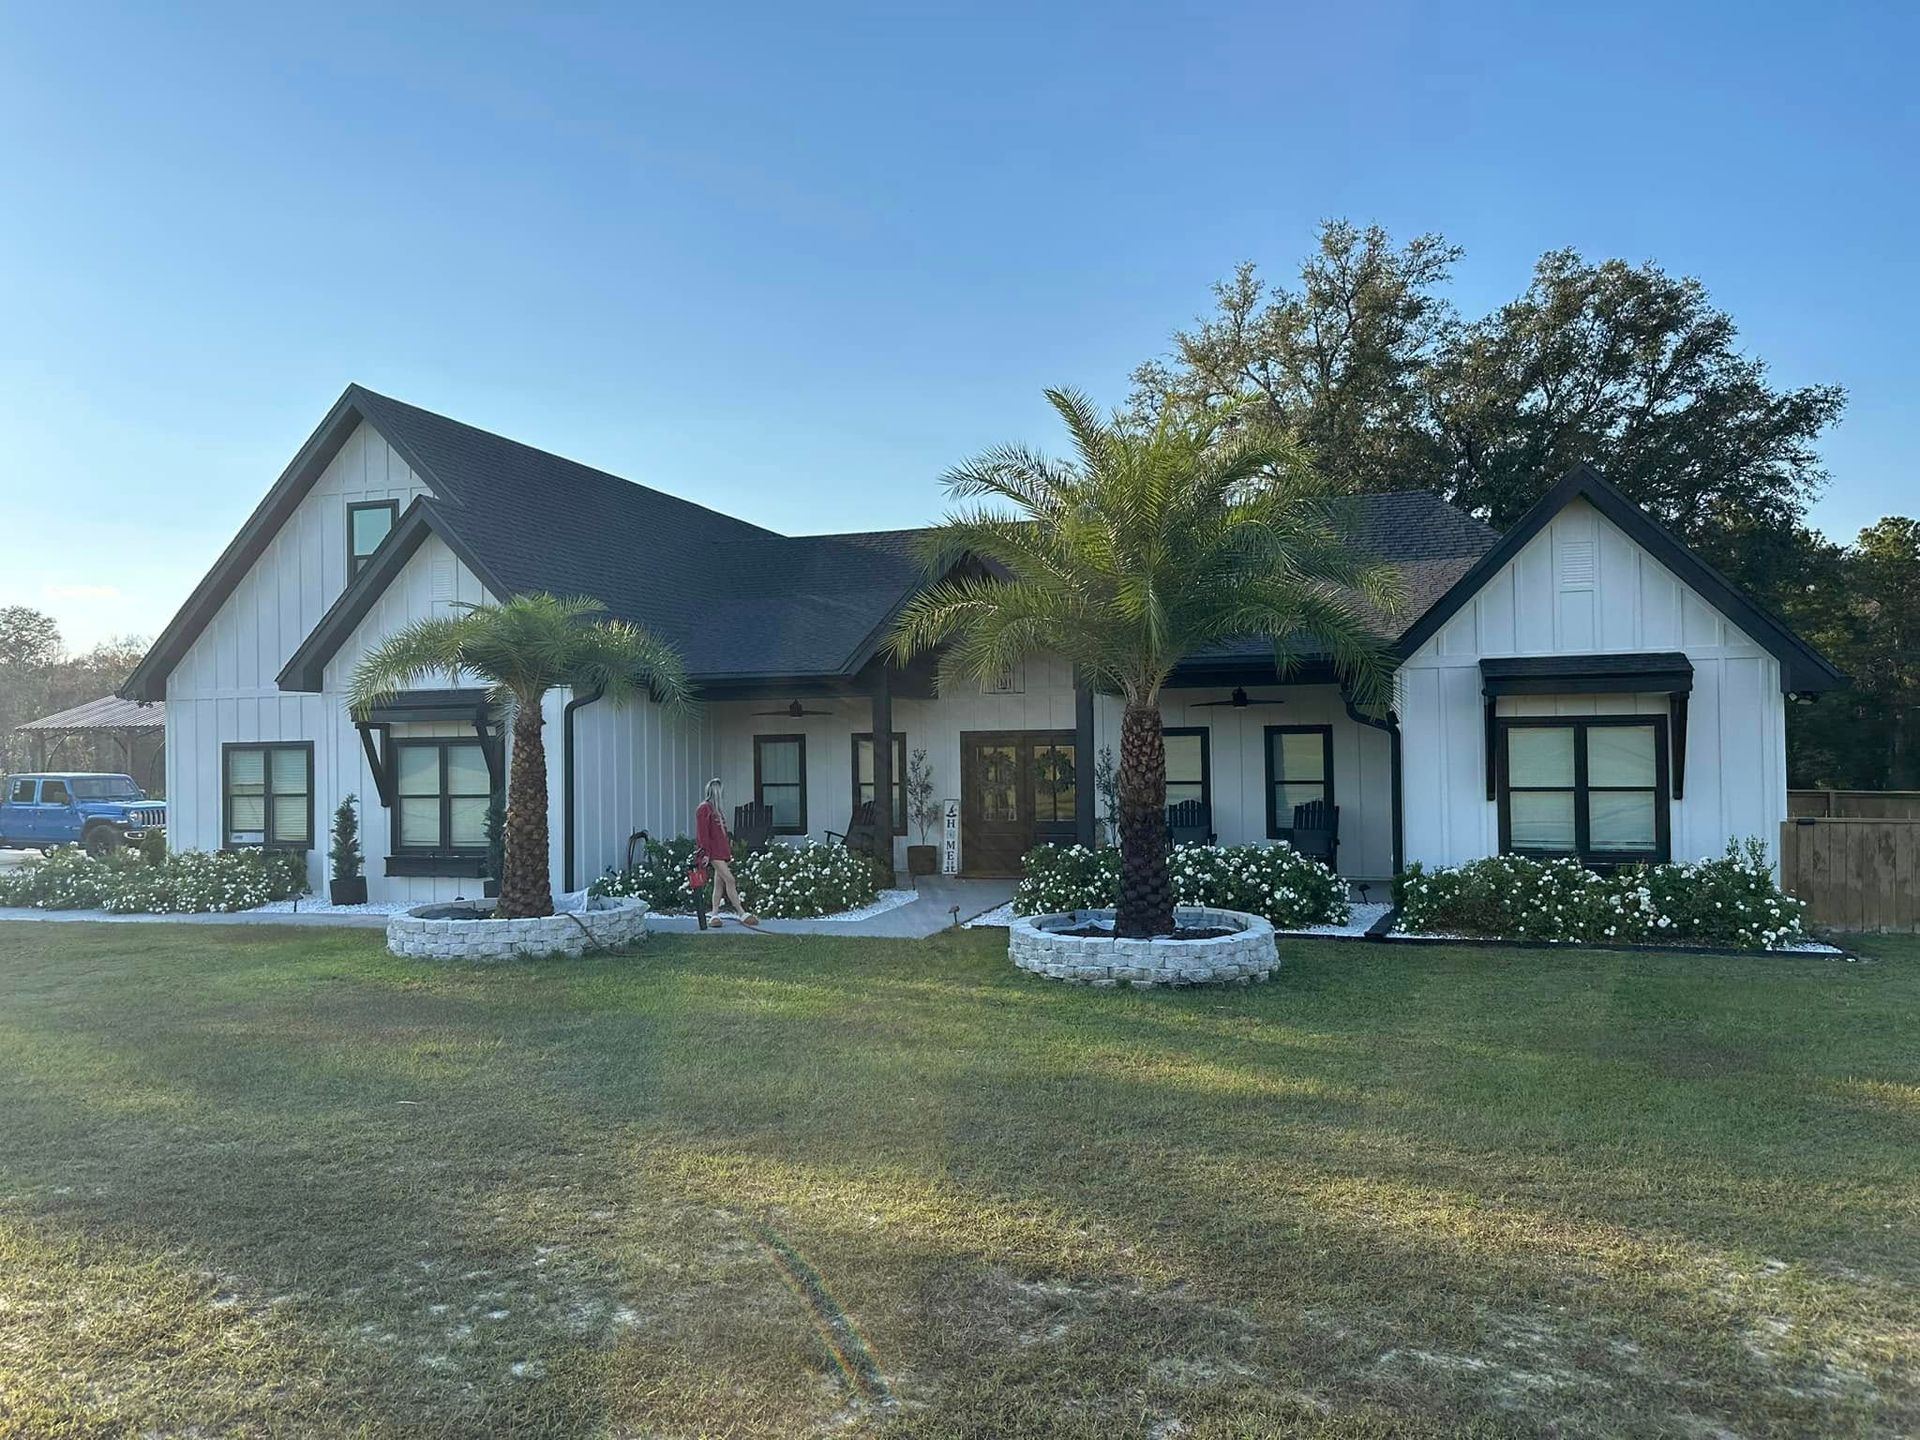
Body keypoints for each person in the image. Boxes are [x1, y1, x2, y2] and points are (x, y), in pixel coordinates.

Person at [695, 778, 757, 926]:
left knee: (719, 884)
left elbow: (720, 834)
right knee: (730, 880)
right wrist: (705, 853)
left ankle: (714, 914)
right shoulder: (704, 809)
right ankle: (741, 912)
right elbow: (702, 834)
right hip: (713, 853)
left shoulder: (717, 811)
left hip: (721, 852)